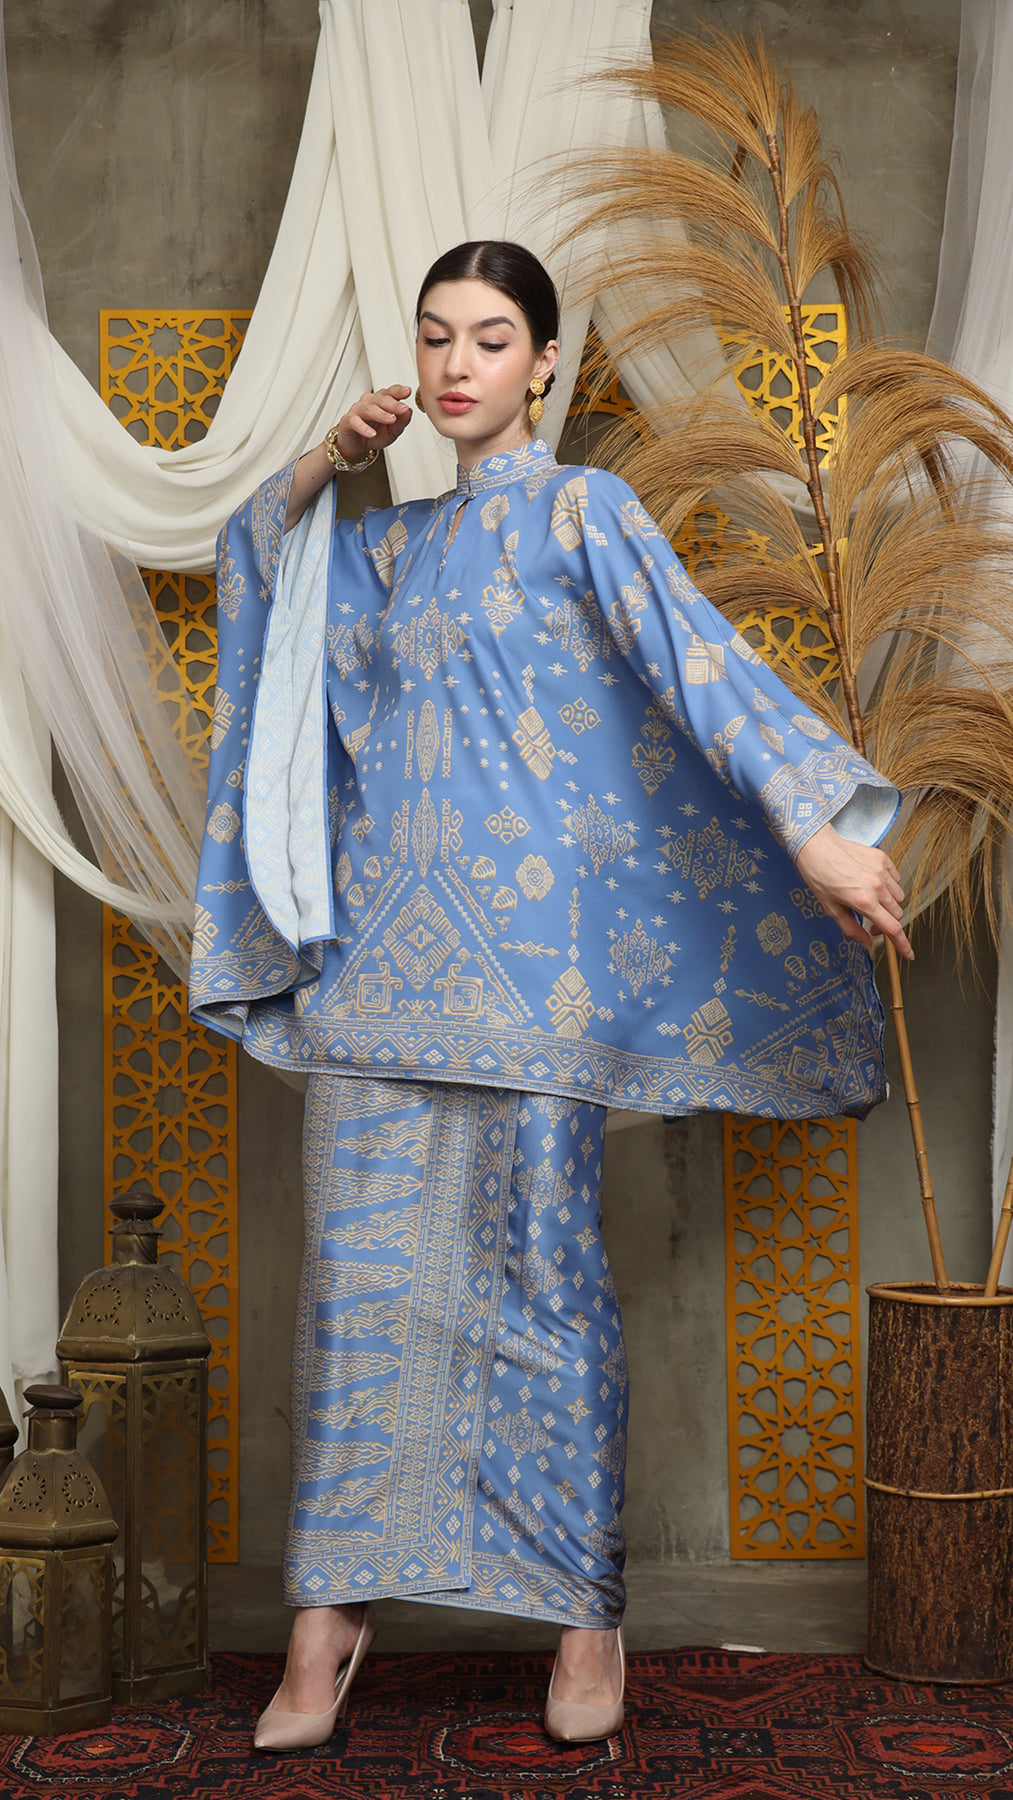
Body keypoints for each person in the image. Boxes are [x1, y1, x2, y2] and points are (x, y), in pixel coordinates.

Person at [190, 240, 910, 1749]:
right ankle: (327, 1626)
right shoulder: (383, 548)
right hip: (376, 974)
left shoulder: (587, 510)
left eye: (490, 337)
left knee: (546, 1288)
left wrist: (813, 832)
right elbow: (254, 559)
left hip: (538, 975)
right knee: (357, 1300)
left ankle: (585, 1620)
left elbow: (696, 664)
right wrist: (328, 457)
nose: (457, 364)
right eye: (435, 336)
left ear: (543, 365)